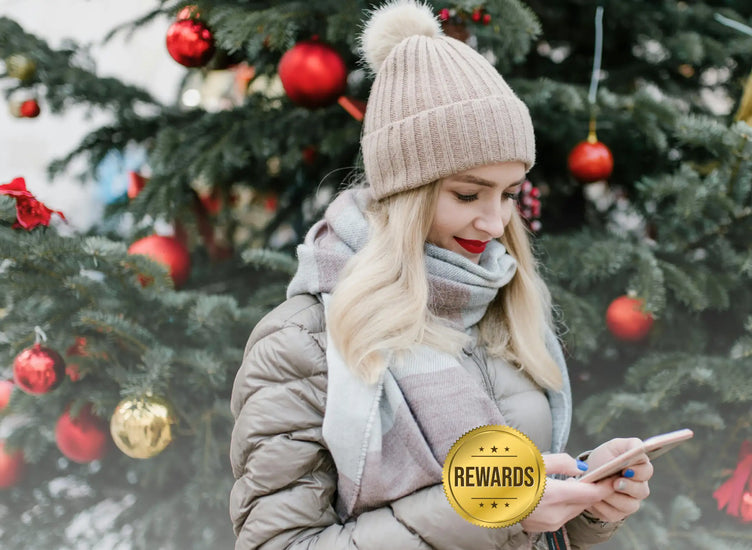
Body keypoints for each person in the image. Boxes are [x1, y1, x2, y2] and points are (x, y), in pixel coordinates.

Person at [228, 1, 653, 548]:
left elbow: (519, 521)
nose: (495, 223)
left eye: (510, 194)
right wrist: (498, 507)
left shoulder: (499, 303)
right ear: (408, 193)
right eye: (468, 195)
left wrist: (586, 497)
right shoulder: (303, 342)